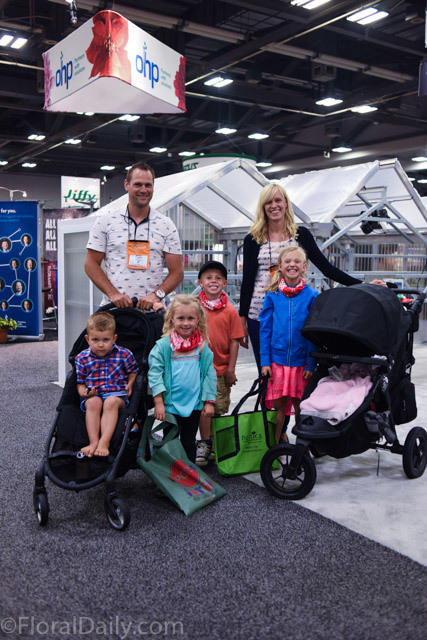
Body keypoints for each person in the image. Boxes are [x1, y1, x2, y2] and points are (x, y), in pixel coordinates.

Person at [239, 183, 384, 371]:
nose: (273, 206)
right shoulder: (253, 239)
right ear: (262, 207)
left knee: (295, 369)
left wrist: (363, 285)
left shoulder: (301, 235)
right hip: (259, 314)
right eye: (268, 202)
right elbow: (248, 280)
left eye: (278, 200)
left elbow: (326, 268)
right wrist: (242, 318)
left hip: (294, 313)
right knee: (266, 370)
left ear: (285, 203)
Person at [85, 161, 184, 311]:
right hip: (114, 311)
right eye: (138, 184)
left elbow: (177, 272)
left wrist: (156, 295)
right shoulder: (106, 221)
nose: (143, 190)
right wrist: (113, 294)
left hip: (151, 312)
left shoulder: (166, 225)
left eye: (148, 185)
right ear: (127, 185)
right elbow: (90, 264)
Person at [260, 245, 318, 444]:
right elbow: (265, 330)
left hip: (302, 364)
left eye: (297, 261)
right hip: (277, 363)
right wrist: (265, 361)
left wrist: (311, 363)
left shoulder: (312, 295)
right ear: (280, 266)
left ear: (304, 267)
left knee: (302, 409)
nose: (292, 265)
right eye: (287, 261)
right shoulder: (272, 295)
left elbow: (313, 333)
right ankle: (274, 449)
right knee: (278, 409)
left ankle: (304, 451)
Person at [148, 294, 217, 462]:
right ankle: (169, 474)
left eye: (190, 318)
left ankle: (188, 475)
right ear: (172, 318)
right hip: (170, 406)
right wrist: (158, 402)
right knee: (169, 443)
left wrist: (209, 401)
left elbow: (209, 374)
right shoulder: (163, 347)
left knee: (188, 443)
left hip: (193, 405)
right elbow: (154, 374)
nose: (186, 323)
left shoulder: (202, 347)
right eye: (181, 318)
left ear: (198, 319)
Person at [195, 260, 245, 466]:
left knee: (217, 408)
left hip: (220, 370)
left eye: (218, 278)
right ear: (200, 282)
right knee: (202, 408)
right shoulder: (194, 308)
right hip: (197, 369)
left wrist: (231, 370)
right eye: (208, 278)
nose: (213, 281)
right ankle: (204, 443)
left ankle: (214, 444)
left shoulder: (230, 311)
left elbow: (234, 341)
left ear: (224, 283)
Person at [75, 311, 138, 457]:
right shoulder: (82, 358)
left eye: (106, 340)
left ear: (114, 338)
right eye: (95, 340)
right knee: (93, 403)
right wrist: (84, 393)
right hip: (94, 394)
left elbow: (133, 371)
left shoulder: (124, 354)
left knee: (110, 402)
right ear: (87, 339)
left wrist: (130, 383)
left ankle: (104, 442)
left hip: (117, 394)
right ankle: (93, 442)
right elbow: (80, 383)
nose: (101, 345)